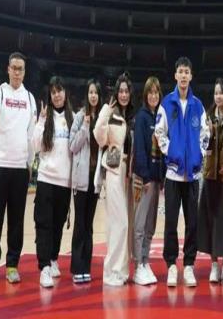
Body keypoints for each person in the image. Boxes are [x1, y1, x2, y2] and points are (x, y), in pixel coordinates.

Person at [0, 52, 37, 284]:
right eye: (13, 68)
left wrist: (30, 163)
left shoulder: (30, 98)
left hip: (20, 168)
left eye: (20, 68)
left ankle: (12, 264)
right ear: (8, 69)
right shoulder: (0, 92)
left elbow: (31, 135)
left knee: (16, 220)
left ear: (24, 72)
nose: (16, 72)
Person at [154, 56, 210, 287]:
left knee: (192, 223)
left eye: (187, 71)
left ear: (191, 76)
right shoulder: (167, 103)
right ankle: (170, 266)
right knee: (170, 223)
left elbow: (205, 134)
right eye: (181, 71)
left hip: (193, 174)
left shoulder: (198, 105)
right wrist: (172, 153)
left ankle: (188, 265)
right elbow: (159, 132)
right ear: (175, 75)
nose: (184, 75)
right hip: (173, 174)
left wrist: (199, 155)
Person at [32, 76, 74, 288]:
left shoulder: (72, 118)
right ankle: (44, 267)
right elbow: (35, 146)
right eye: (53, 92)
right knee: (44, 224)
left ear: (65, 93)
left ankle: (54, 258)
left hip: (65, 182)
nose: (57, 95)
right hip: (46, 179)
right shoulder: (45, 117)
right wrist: (40, 121)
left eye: (60, 91)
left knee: (58, 224)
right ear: (50, 95)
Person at [94, 73, 134, 286]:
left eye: (127, 91)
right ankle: (112, 272)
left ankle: (121, 270)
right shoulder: (110, 113)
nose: (124, 95)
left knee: (122, 223)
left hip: (129, 172)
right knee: (120, 222)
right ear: (116, 93)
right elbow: (100, 139)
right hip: (113, 170)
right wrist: (104, 114)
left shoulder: (132, 115)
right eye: (121, 91)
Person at [197, 78, 223, 284]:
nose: (218, 96)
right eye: (216, 93)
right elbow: (201, 144)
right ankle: (213, 264)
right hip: (210, 175)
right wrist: (208, 135)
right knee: (210, 219)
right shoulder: (207, 116)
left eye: (221, 93)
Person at [132, 76, 166, 285]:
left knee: (151, 225)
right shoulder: (142, 117)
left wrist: (161, 177)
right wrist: (144, 176)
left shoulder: (160, 117)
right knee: (140, 224)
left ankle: (145, 260)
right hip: (144, 179)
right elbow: (140, 150)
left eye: (156, 92)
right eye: (150, 92)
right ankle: (138, 265)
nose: (153, 96)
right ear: (145, 95)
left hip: (156, 178)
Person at [69, 79, 103, 284]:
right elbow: (72, 146)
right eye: (90, 92)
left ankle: (86, 267)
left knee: (89, 225)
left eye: (96, 92)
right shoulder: (80, 117)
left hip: (95, 179)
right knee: (80, 224)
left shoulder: (102, 119)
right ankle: (77, 267)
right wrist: (84, 128)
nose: (93, 96)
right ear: (87, 95)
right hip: (81, 179)